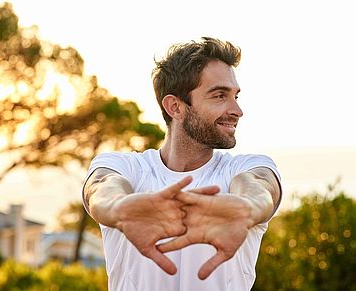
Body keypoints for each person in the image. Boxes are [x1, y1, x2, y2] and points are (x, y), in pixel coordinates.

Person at [82, 37, 282, 291]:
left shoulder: (245, 168)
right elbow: (101, 188)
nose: (237, 110)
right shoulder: (124, 167)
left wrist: (250, 207)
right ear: (175, 106)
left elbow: (260, 186)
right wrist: (118, 208)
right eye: (220, 95)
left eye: (235, 96)